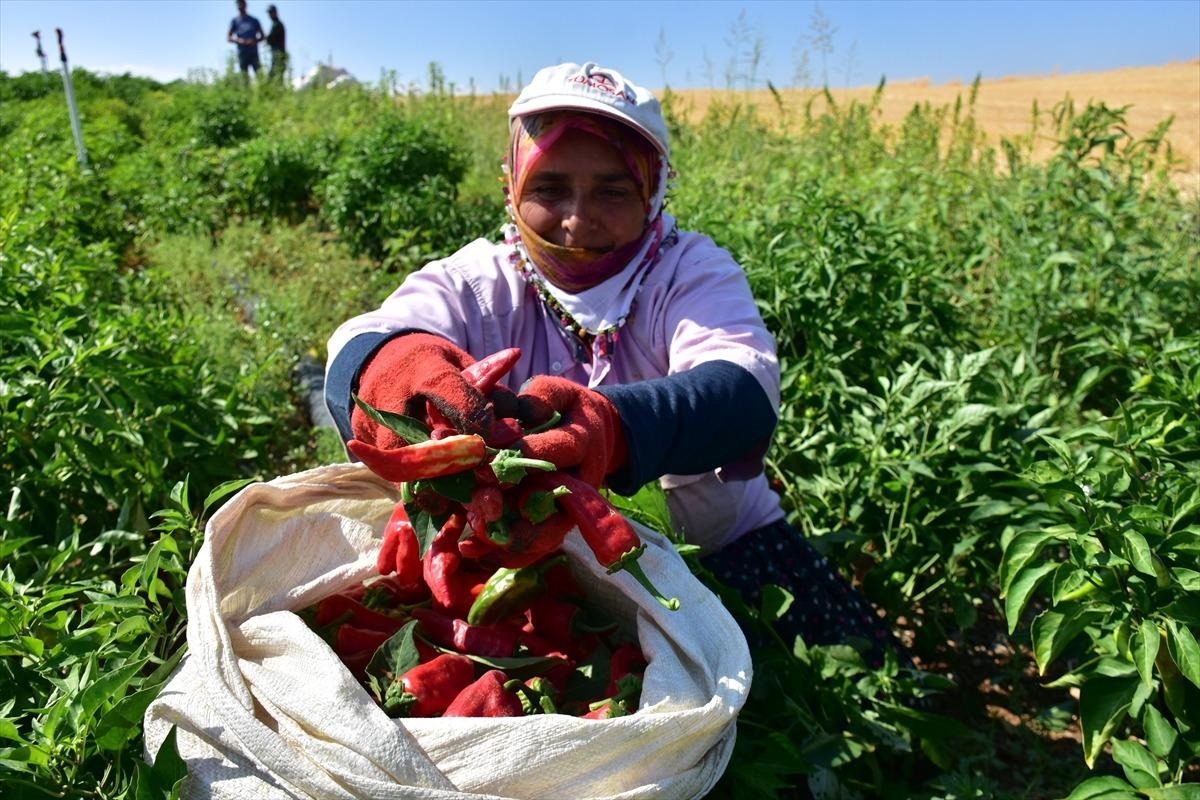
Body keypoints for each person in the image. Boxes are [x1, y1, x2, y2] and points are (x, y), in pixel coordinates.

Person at [323, 61, 900, 665]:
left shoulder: (688, 271)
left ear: (653, 192)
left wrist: (614, 429)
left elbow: (743, 389)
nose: (577, 219)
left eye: (613, 190)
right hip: (530, 575)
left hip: (716, 551)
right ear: (511, 186)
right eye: (548, 187)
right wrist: (392, 368)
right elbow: (363, 343)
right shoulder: (477, 283)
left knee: (831, 692)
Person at [227, 0, 264, 81]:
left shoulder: (254, 20)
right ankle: (247, 93)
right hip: (242, 53)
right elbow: (229, 37)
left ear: (245, 5)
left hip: (254, 53)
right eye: (238, 4)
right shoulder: (235, 21)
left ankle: (264, 93)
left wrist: (254, 41)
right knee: (244, 79)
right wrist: (240, 41)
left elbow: (262, 36)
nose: (240, 6)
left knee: (260, 76)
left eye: (241, 3)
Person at [265, 4, 288, 85]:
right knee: (277, 78)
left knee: (274, 78)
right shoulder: (275, 24)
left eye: (271, 12)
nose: (270, 15)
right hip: (278, 56)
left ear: (275, 12)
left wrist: (264, 37)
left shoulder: (277, 25)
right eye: (269, 13)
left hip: (278, 56)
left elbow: (269, 39)